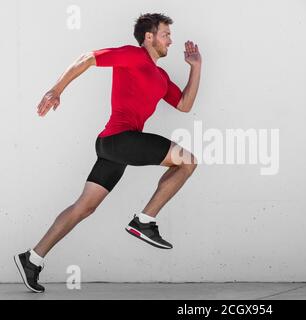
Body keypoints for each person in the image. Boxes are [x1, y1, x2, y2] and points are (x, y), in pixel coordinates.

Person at [14, 13, 201, 293]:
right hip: (120, 139)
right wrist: (56, 89)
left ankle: (33, 258)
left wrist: (196, 67)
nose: (170, 41)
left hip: (114, 147)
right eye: (165, 35)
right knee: (187, 161)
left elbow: (185, 105)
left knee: (84, 207)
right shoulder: (133, 55)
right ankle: (144, 221)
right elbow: (88, 58)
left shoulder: (161, 76)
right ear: (149, 37)